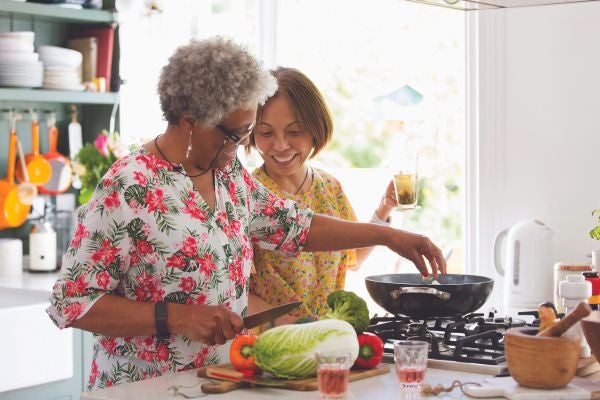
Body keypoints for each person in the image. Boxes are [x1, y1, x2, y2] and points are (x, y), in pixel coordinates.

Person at [47, 36, 446, 391]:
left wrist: (386, 234)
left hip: (218, 380)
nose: (241, 147)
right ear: (190, 122)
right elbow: (72, 302)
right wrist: (175, 317)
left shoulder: (227, 174)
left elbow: (295, 227)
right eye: (235, 135)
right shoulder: (128, 186)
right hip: (142, 388)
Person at [246, 67, 398, 324]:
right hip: (269, 345)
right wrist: (287, 324)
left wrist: (384, 210)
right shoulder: (247, 194)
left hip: (326, 342)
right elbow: (232, 292)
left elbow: (353, 258)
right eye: (266, 133)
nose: (281, 145)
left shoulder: (329, 187)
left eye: (295, 132)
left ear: (317, 128)